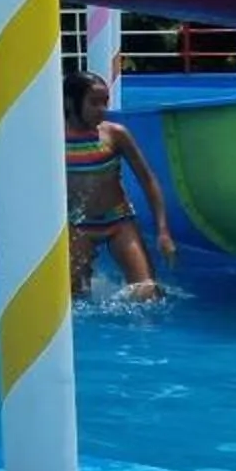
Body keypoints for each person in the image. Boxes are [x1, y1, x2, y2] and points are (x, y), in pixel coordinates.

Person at [65, 67, 170, 302]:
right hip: (77, 224)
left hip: (119, 221)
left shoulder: (115, 134)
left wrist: (163, 230)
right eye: (94, 103)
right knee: (75, 298)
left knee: (147, 292)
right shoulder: (54, 137)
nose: (102, 109)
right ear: (71, 102)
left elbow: (148, 179)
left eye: (105, 102)